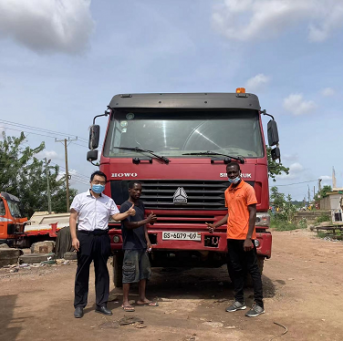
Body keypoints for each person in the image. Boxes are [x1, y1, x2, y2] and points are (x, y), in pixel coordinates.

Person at [69, 171, 136, 318]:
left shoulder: (108, 201)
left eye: (101, 183)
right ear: (90, 182)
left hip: (102, 237)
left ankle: (101, 304)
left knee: (102, 272)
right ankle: (79, 305)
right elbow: (73, 218)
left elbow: (116, 216)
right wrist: (74, 238)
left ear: (105, 185)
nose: (99, 185)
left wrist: (127, 213)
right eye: (96, 182)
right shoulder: (79, 198)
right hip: (85, 237)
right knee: (82, 272)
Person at [206, 162, 264, 317]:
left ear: (240, 172)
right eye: (229, 173)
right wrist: (215, 225)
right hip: (231, 236)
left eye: (234, 172)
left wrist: (248, 238)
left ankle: (259, 304)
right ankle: (239, 301)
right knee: (235, 270)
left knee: (253, 270)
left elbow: (253, 214)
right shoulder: (228, 192)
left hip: (244, 238)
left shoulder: (248, 189)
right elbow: (230, 214)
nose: (231, 175)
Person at [120, 181, 158, 312]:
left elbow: (144, 226)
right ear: (129, 190)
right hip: (131, 245)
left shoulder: (141, 205)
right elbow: (128, 225)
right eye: (136, 190)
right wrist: (147, 220)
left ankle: (142, 298)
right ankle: (125, 301)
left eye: (140, 190)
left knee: (144, 273)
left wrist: (147, 240)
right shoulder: (125, 206)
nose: (138, 192)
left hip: (142, 245)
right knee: (128, 273)